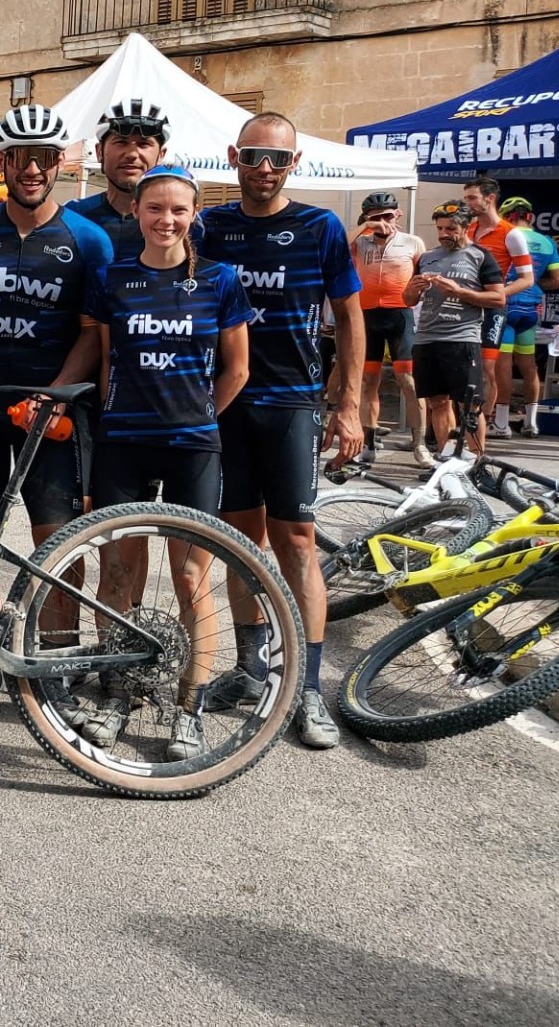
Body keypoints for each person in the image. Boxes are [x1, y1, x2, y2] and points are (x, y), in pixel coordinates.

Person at [199, 112, 363, 749]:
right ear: (233, 157)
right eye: (253, 156)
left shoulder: (319, 226)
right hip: (228, 401)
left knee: (296, 540)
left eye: (278, 158)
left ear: (295, 165)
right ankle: (249, 668)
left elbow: (350, 319)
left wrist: (348, 405)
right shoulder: (211, 226)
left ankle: (309, 686)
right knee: (239, 541)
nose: (264, 168)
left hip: (292, 403)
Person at [80, 163, 252, 760]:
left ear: (193, 215)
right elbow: (105, 362)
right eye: (155, 208)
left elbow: (237, 368)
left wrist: (201, 415)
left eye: (179, 210)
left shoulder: (220, 279)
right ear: (136, 212)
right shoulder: (113, 279)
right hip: (123, 441)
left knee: (189, 577)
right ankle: (119, 693)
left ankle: (189, 707)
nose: (167, 219)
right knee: (119, 573)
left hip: (192, 445)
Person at [0, 104, 111, 710]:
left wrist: (54, 391)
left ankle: (55, 663)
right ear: (2, 163)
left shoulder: (87, 239)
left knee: (57, 537)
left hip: (53, 405)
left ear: (59, 162)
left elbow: (95, 335)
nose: (32, 168)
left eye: (43, 157)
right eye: (19, 157)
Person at [406, 202, 503, 456]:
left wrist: (459, 292)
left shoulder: (481, 256)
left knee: (470, 405)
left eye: (450, 228)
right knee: (437, 402)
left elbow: (498, 299)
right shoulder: (427, 257)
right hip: (426, 338)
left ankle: (477, 461)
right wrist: (412, 290)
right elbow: (408, 300)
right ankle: (445, 459)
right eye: (440, 228)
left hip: (461, 337)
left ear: (466, 227)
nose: (443, 234)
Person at [350, 192, 426, 465]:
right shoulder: (360, 241)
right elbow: (335, 247)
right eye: (376, 217)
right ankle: (368, 443)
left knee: (407, 381)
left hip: (400, 315)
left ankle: (420, 444)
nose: (383, 222)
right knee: (369, 381)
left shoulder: (413, 243)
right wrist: (364, 226)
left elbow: (422, 276)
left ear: (398, 215)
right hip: (367, 315)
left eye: (387, 216)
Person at [461, 176, 534, 438]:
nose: (467, 203)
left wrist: (497, 295)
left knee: (486, 367)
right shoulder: (467, 229)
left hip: (492, 309)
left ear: (489, 199)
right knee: (462, 364)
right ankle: (463, 423)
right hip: (465, 306)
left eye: (472, 198)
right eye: (466, 197)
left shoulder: (510, 233)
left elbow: (527, 278)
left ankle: (482, 422)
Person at [495, 196, 559, 438]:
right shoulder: (546, 241)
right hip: (530, 308)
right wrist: (534, 285)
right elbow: (558, 281)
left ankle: (501, 425)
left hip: (505, 304)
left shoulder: (507, 237)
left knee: (502, 364)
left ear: (507, 217)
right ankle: (531, 423)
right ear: (530, 217)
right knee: (529, 364)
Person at [64, 99, 169, 254]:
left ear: (161, 155)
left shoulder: (177, 225)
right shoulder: (71, 216)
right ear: (99, 152)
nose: (132, 154)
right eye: (121, 142)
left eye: (144, 144)